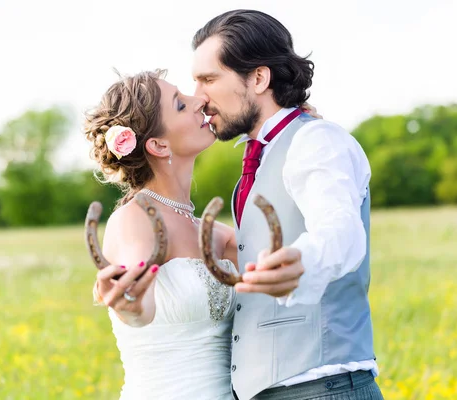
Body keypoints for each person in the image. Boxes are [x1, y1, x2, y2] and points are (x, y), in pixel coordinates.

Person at [191, 9, 383, 400]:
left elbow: (340, 230)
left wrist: (303, 261)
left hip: (322, 389)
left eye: (209, 79)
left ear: (259, 78)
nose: (199, 98)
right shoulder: (260, 156)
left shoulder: (317, 141)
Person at [83, 69, 307, 399]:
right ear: (158, 145)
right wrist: (128, 305)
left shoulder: (215, 233)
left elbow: (291, 256)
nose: (199, 99)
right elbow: (136, 300)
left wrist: (295, 134)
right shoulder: (134, 219)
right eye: (180, 104)